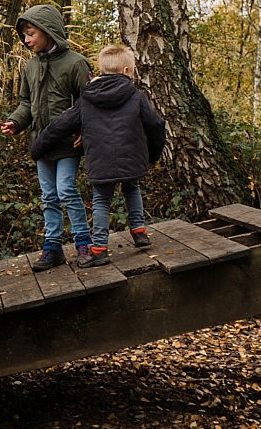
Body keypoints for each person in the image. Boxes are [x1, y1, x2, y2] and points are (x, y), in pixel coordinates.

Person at [30, 44, 165, 267]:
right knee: (132, 188)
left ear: (101, 71)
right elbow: (156, 125)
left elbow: (60, 126)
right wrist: (153, 154)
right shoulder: (136, 96)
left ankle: (100, 249)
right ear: (126, 71)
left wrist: (38, 148)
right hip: (132, 158)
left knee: (102, 201)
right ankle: (139, 232)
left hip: (100, 161)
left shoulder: (86, 99)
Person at [0, 3, 91, 271]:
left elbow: (89, 103)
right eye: (24, 35)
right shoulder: (30, 67)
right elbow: (26, 102)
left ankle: (83, 242)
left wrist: (85, 132)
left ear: (49, 31)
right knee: (48, 195)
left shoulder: (76, 63)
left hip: (68, 142)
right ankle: (53, 248)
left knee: (66, 190)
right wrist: (16, 122)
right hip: (41, 142)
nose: (26, 40)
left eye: (31, 34)